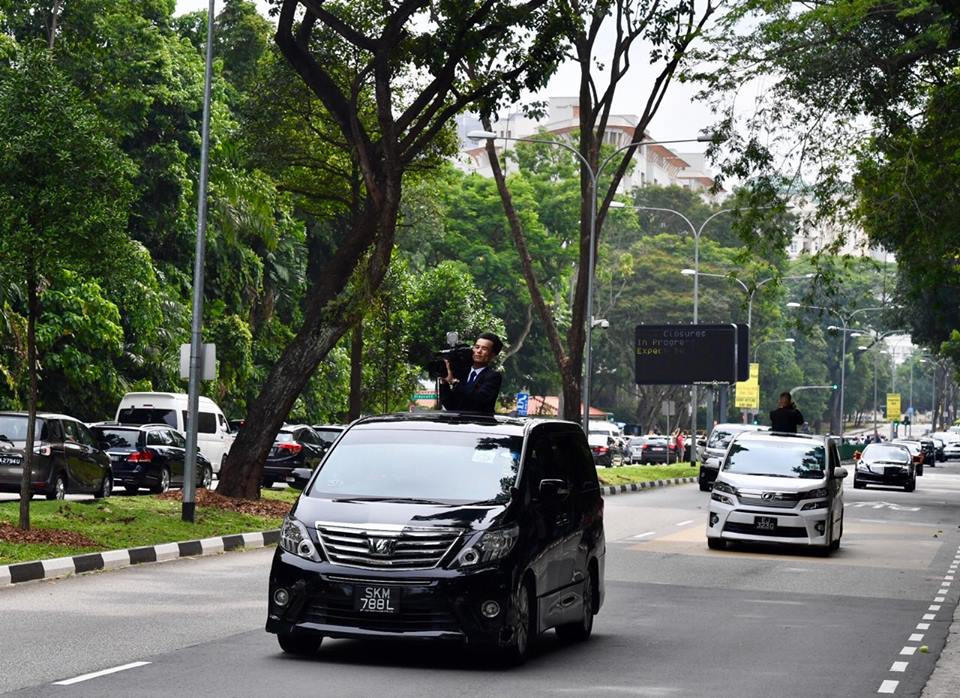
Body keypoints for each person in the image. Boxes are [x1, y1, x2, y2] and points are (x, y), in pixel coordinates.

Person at [439, 332, 503, 415]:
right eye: (476, 347)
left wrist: (454, 382)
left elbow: (478, 400)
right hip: (459, 424)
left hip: (480, 424)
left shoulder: (493, 377)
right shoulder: (462, 373)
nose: (478, 351)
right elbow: (450, 405)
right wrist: (444, 383)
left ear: (493, 355)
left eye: (484, 349)